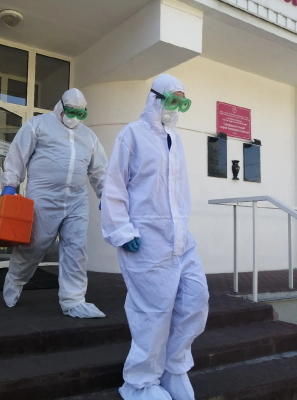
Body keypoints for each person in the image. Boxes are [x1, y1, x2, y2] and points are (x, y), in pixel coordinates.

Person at [101, 74, 210, 400]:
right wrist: (122, 230)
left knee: (195, 301)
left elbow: (177, 193)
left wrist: (181, 230)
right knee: (153, 314)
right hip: (145, 241)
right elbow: (114, 186)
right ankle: (139, 384)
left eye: (182, 103)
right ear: (156, 98)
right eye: (172, 100)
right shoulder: (131, 135)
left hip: (180, 240)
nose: (176, 108)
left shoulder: (175, 139)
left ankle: (173, 369)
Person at [1, 88, 108, 319]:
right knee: (35, 244)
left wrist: (106, 195)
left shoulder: (89, 136)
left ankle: (74, 300)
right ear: (61, 107)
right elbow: (17, 154)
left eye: (80, 114)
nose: (74, 117)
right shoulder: (37, 125)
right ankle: (16, 279)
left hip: (76, 200)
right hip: (43, 197)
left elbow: (99, 170)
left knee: (76, 248)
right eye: (71, 112)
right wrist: (10, 184)